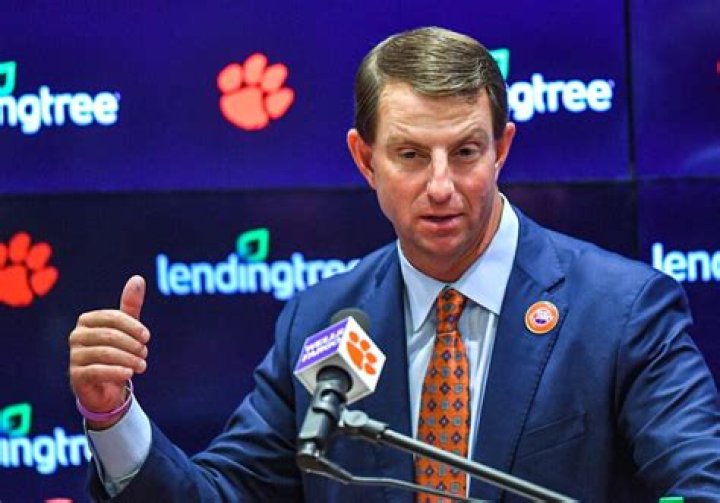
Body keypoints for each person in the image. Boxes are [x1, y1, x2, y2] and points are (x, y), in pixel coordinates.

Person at [68, 27, 720, 502]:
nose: (441, 186)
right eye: (411, 155)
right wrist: (113, 417)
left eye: (465, 152)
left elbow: (701, 482)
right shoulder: (322, 320)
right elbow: (223, 495)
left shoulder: (621, 311)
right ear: (364, 159)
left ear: (502, 149)